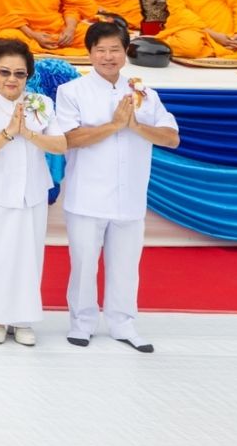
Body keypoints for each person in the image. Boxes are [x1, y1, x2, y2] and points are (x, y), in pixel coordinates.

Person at [55, 21, 180, 351]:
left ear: (125, 52)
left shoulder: (144, 94)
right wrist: (113, 125)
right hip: (87, 196)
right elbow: (68, 138)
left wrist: (135, 125)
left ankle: (123, 323)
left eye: (114, 49)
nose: (108, 56)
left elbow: (171, 137)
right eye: (101, 50)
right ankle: (82, 322)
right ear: (90, 53)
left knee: (126, 265)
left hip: (130, 197)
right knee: (84, 263)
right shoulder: (72, 92)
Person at [0, 38, 66, 347]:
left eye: (19, 74)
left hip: (32, 191)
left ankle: (23, 319)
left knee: (29, 255)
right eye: (5, 72)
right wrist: (10, 132)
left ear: (28, 75)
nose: (12, 79)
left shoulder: (42, 103)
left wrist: (29, 133)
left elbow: (60, 145)